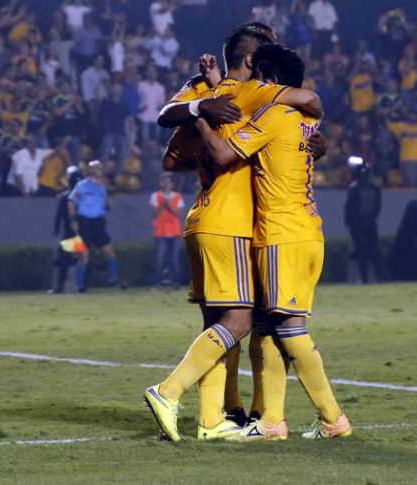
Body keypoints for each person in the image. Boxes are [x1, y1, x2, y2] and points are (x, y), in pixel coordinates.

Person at [144, 23, 324, 442]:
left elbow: (170, 155)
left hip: (208, 218)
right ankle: (179, 394)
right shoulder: (255, 93)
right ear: (254, 61)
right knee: (250, 322)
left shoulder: (207, 93)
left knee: (222, 323)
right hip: (237, 225)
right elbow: (310, 101)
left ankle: (217, 418)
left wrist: (203, 110)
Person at [194, 43, 352, 441]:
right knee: (269, 326)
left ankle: (333, 419)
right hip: (307, 231)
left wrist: (200, 114)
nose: (256, 84)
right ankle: (272, 422)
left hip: (282, 233)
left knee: (290, 329)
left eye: (261, 78)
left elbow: (222, 154)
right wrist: (217, 82)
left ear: (274, 81)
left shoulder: (274, 114)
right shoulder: (306, 121)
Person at [67, 160, 127, 292]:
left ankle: (113, 279)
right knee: (83, 255)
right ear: (89, 170)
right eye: (95, 167)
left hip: (98, 222)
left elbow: (106, 205)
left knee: (109, 252)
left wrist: (109, 200)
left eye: (100, 167)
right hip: (84, 222)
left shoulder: (102, 187)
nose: (99, 169)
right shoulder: (81, 185)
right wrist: (73, 220)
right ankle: (79, 285)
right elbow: (71, 203)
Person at [345, 164, 383, 284]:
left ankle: (365, 278)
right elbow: (378, 206)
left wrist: (347, 222)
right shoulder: (375, 188)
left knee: (361, 251)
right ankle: (379, 277)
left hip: (357, 224)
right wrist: (372, 217)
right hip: (370, 222)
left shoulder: (353, 188)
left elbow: (349, 207)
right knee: (374, 250)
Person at [49, 166, 84, 293]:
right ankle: (82, 286)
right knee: (82, 259)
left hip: (70, 233)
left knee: (64, 260)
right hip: (81, 232)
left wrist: (56, 229)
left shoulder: (66, 197)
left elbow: (59, 216)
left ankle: (60, 287)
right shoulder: (82, 197)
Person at [150, 173, 185, 290]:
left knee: (175, 259)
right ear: (160, 183)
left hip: (174, 232)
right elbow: (154, 215)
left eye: (168, 182)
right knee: (159, 259)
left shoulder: (178, 196)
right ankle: (157, 284)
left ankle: (176, 284)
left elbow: (178, 213)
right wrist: (162, 205)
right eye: (163, 182)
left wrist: (168, 205)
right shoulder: (155, 196)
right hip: (161, 232)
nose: (166, 184)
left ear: (172, 184)